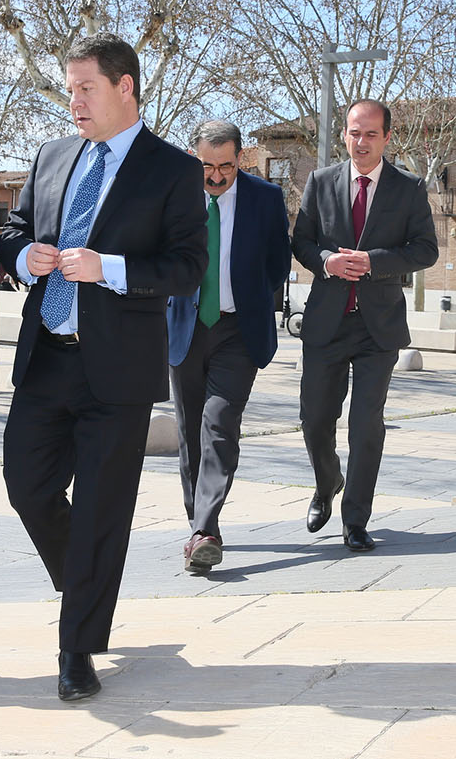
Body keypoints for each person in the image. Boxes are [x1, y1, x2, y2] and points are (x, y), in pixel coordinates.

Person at [0, 33, 206, 702]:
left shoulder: (172, 169)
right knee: (25, 485)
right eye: (68, 87)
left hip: (116, 371)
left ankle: (76, 645)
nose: (73, 100)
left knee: (98, 512)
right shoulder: (52, 155)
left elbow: (186, 267)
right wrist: (22, 252)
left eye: (84, 87)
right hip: (46, 356)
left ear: (124, 87)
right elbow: (13, 229)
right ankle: (86, 587)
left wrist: (108, 269)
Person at [292, 99, 438, 553]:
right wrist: (328, 262)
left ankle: (356, 519)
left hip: (379, 327)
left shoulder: (409, 188)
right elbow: (301, 242)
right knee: (314, 419)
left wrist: (373, 262)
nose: (361, 141)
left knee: (365, 424)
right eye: (355, 132)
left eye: (371, 134)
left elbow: (425, 251)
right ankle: (327, 481)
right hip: (325, 323)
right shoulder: (320, 182)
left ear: (387, 137)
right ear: (345, 135)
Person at [167, 119, 291, 574]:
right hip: (186, 327)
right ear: (194, 158)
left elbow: (278, 262)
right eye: (207, 167)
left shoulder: (266, 199)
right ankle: (201, 528)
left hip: (239, 331)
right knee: (188, 433)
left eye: (225, 166)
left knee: (219, 423)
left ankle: (204, 529)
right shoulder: (176, 194)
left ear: (242, 158)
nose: (216, 177)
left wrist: (250, 297)